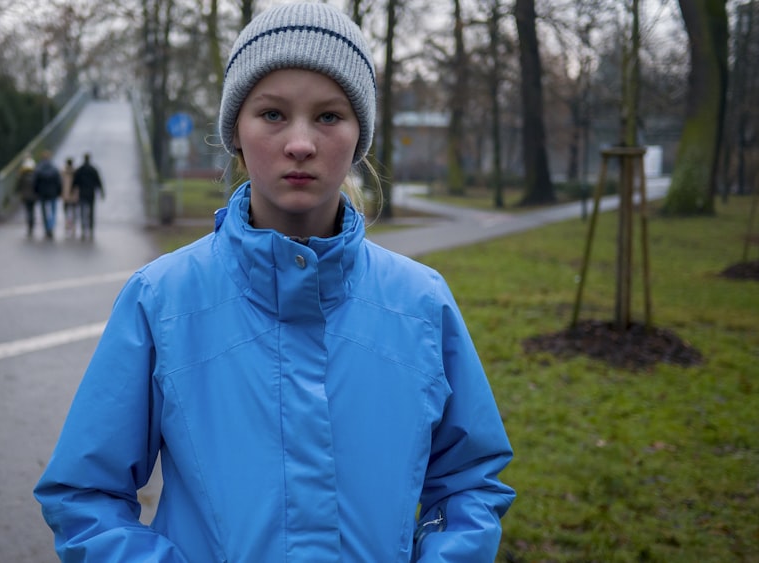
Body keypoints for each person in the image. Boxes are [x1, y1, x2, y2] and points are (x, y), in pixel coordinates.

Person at [34, 3, 515, 562]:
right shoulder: (161, 300)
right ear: (235, 131)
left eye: (330, 116)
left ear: (360, 135)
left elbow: (469, 483)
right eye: (272, 114)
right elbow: (85, 495)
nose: (301, 143)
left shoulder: (421, 304)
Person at [72, 152, 105, 240]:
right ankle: (91, 230)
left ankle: (83, 230)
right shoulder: (93, 169)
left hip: (82, 193)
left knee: (82, 212)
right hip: (91, 194)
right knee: (91, 212)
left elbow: (75, 182)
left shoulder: (80, 169)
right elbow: (98, 182)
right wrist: (101, 192)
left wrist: (72, 191)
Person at [33, 150, 62, 239]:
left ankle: (46, 228)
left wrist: (36, 191)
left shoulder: (38, 169)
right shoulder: (54, 168)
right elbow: (58, 182)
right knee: (53, 211)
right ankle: (51, 226)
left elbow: (35, 182)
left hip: (42, 193)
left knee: (44, 211)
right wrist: (59, 191)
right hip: (53, 193)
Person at [15, 156, 37, 237]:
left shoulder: (22, 176)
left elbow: (18, 187)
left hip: (25, 196)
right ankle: (32, 224)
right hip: (33, 196)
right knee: (32, 211)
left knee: (28, 211)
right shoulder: (35, 176)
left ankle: (29, 225)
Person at [61, 157, 78, 237]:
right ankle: (73, 225)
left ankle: (67, 224)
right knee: (74, 211)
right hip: (74, 195)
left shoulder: (63, 172)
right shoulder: (76, 172)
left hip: (65, 194)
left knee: (66, 211)